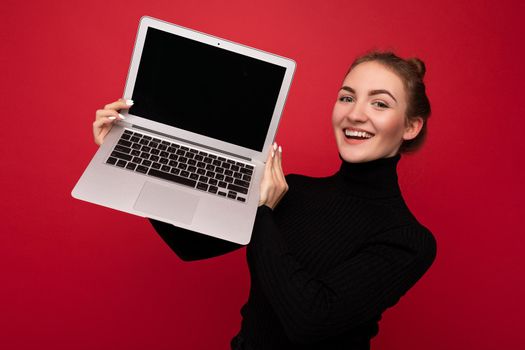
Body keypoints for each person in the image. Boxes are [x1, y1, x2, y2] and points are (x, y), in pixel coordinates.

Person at [93, 51, 437, 349]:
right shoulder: (294, 190)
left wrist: (263, 211)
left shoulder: (408, 240)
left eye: (379, 103)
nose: (355, 114)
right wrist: (132, 152)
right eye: (347, 98)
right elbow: (189, 245)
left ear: (411, 126)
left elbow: (309, 321)